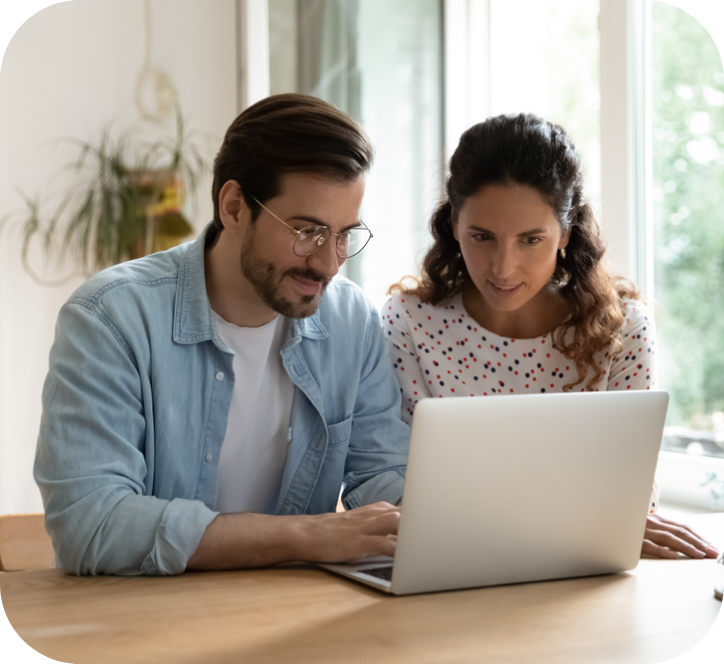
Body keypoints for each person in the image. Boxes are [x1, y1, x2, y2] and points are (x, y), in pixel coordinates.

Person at [34, 94, 408, 576]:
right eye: (308, 231)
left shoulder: (351, 320)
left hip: (295, 618)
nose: (330, 261)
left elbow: (382, 475)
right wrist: (306, 536)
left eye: (343, 235)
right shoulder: (110, 318)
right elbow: (91, 524)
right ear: (233, 207)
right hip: (146, 628)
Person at [383, 113, 719, 561]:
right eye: (481, 236)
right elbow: (396, 491)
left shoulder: (623, 330)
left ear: (564, 233)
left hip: (580, 570)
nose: (503, 268)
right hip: (452, 567)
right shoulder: (409, 322)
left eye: (530, 239)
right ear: (453, 227)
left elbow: (631, 492)